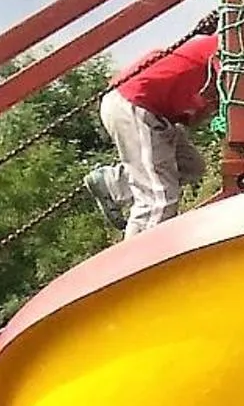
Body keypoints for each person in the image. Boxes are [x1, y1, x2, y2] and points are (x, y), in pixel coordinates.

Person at [89, 15, 219, 239]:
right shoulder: (224, 50)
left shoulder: (212, 58)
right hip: (135, 103)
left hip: (150, 109)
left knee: (190, 166)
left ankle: (115, 182)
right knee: (159, 197)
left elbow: (194, 115)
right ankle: (136, 260)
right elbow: (234, 92)